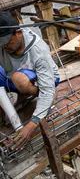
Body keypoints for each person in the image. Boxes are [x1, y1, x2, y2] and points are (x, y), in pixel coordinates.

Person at [0, 11, 60, 149]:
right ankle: (12, 109)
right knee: (15, 78)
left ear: (18, 33)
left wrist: (32, 124)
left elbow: (47, 89)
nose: (3, 47)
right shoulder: (3, 46)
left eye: (6, 42)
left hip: (45, 81)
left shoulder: (38, 50)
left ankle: (43, 102)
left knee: (19, 79)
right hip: (14, 76)